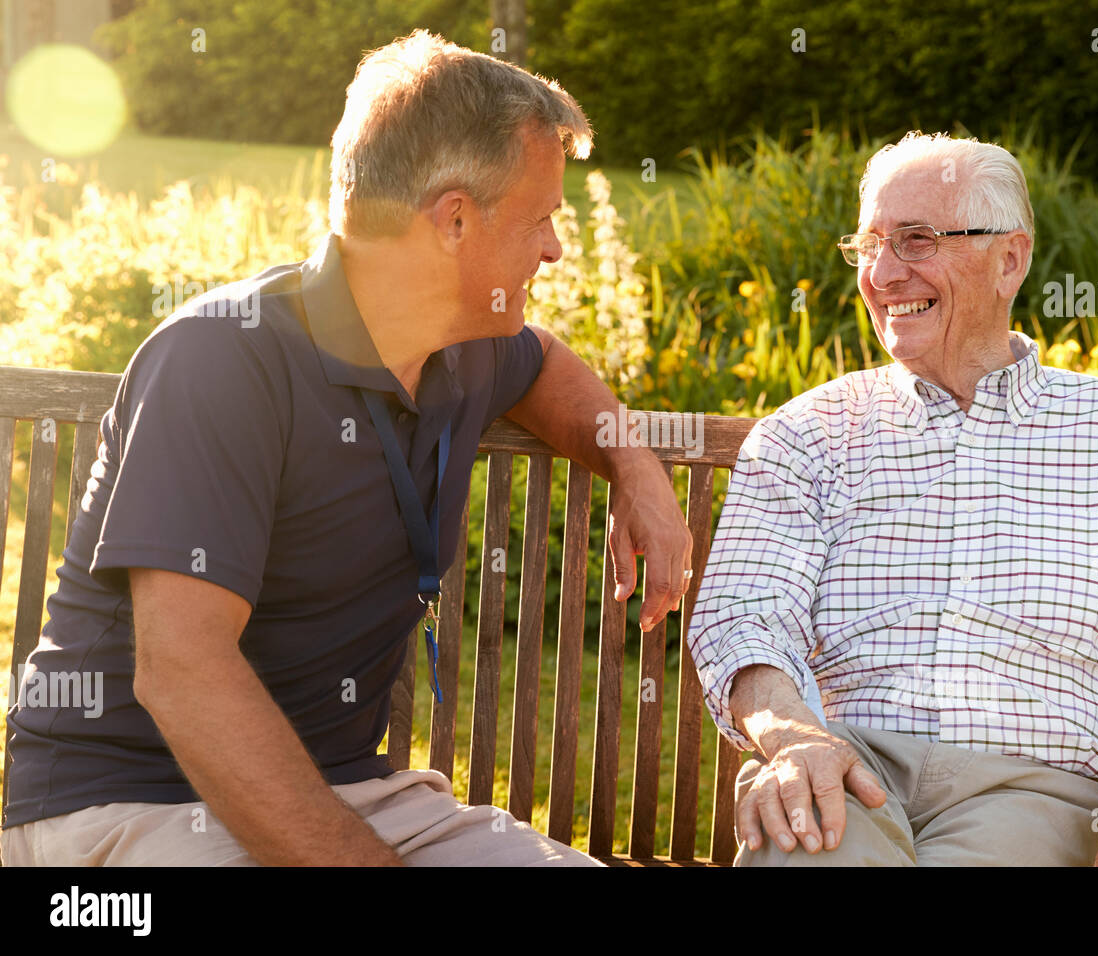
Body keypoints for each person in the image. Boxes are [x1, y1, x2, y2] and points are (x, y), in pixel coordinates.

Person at [2, 31, 692, 866]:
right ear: (455, 219)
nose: (553, 247)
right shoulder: (223, 359)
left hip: (354, 795)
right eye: (541, 217)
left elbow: (545, 363)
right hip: (132, 806)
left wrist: (637, 468)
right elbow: (182, 670)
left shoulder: (461, 341)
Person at [686, 131, 1098, 867]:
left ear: (1010, 260)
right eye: (869, 245)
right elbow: (744, 618)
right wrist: (794, 736)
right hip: (847, 764)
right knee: (805, 851)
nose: (884, 272)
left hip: (1041, 787)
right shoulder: (806, 435)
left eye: (917, 241)